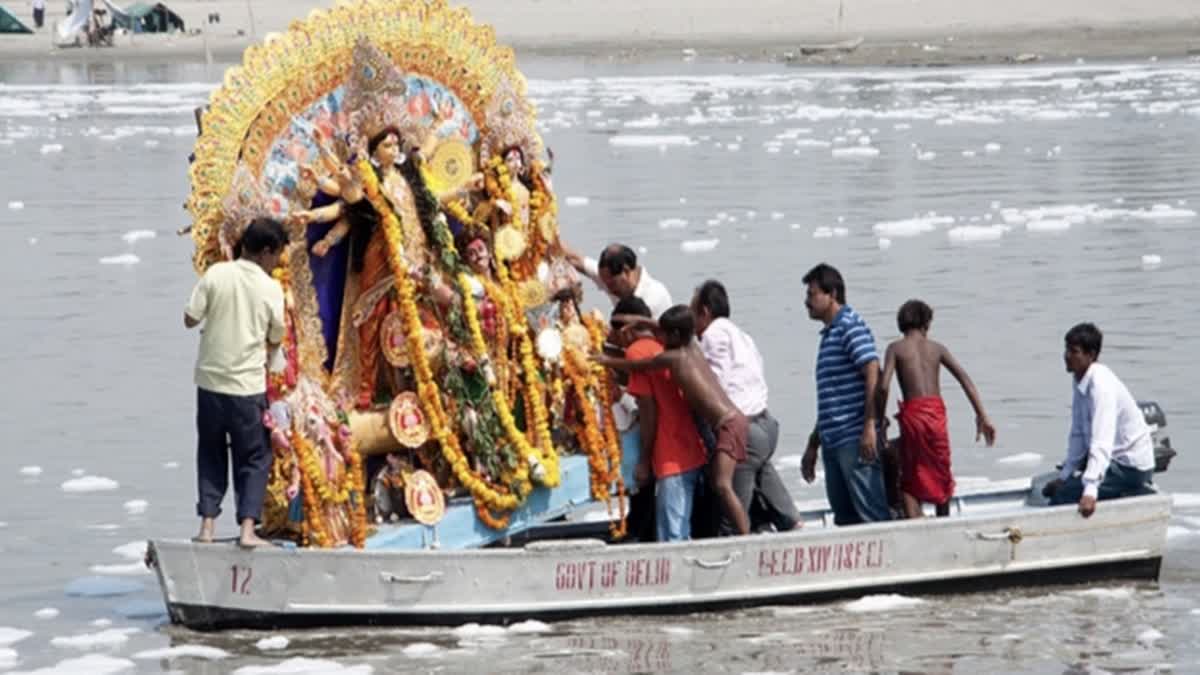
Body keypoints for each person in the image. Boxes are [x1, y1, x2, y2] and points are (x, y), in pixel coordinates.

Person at [598, 305, 751, 536]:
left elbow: (638, 365)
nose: (659, 337)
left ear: (676, 336)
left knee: (722, 485)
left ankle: (747, 539)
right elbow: (661, 327)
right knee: (716, 485)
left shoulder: (675, 357)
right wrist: (640, 320)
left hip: (728, 424)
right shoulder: (692, 347)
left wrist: (605, 360)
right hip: (731, 421)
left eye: (665, 334)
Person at [185, 217, 288, 549]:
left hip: (210, 385)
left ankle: (207, 527)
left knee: (211, 453)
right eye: (277, 257)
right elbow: (277, 334)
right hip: (246, 388)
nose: (276, 264)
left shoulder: (216, 274)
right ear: (266, 252)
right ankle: (247, 531)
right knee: (254, 458)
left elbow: (190, 318)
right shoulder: (270, 288)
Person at [691, 280, 800, 533]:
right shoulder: (743, 335)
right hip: (766, 424)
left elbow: (711, 382)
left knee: (730, 506)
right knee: (762, 474)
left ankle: (740, 549)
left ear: (705, 312)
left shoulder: (713, 334)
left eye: (693, 312)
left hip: (743, 431)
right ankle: (792, 522)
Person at [878, 299, 997, 519]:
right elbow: (965, 380)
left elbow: (884, 386)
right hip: (935, 415)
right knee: (941, 470)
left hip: (913, 416)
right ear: (926, 325)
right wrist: (982, 416)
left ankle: (915, 521)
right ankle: (943, 521)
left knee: (910, 476)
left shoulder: (895, 348)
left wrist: (878, 420)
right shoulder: (937, 348)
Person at [799, 263, 890, 525]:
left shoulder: (850, 325)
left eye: (812, 294)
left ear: (833, 294)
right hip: (833, 440)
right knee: (845, 517)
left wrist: (869, 427)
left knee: (871, 514)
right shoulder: (830, 334)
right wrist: (813, 443)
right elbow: (832, 397)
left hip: (854, 438)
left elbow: (872, 370)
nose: (807, 302)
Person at [611, 297, 708, 541]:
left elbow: (648, 411)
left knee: (672, 535)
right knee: (682, 527)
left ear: (626, 330)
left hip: (671, 455)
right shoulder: (662, 345)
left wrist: (644, 461)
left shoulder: (636, 352)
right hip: (691, 450)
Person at [1043, 323, 1155, 517]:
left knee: (1062, 496)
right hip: (1111, 460)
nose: (1067, 355)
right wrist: (1065, 476)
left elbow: (1101, 441)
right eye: (1066, 349)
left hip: (1130, 466)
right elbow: (1078, 434)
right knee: (1047, 487)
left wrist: (1090, 492)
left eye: (1074, 351)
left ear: (1091, 355)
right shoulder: (1080, 378)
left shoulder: (1101, 386)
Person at [566, 243, 673, 318]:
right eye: (605, 282)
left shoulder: (653, 296)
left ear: (626, 271)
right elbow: (576, 260)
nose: (608, 289)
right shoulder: (610, 277)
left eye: (612, 284)